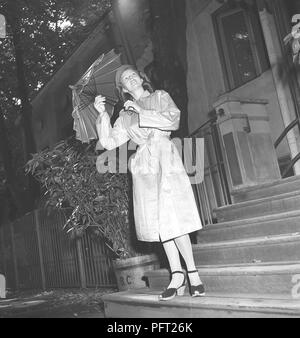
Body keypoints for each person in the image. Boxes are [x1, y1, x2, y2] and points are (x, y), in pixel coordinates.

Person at [94, 65, 205, 301]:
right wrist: (102, 114)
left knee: (175, 218)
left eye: (133, 74)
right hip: (144, 166)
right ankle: (177, 275)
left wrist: (141, 111)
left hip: (166, 158)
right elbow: (109, 142)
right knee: (159, 221)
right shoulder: (124, 116)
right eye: (125, 79)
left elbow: (172, 120)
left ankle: (193, 273)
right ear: (122, 88)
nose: (131, 78)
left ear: (141, 78)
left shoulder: (159, 96)